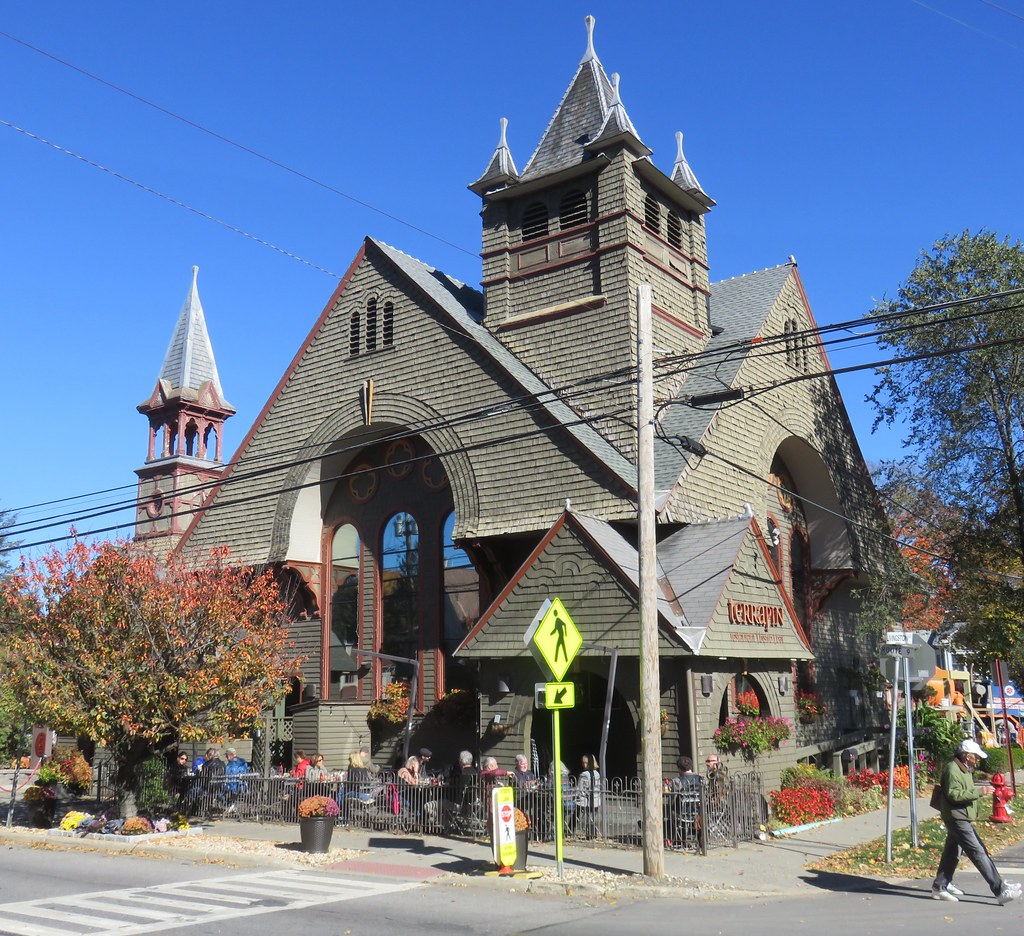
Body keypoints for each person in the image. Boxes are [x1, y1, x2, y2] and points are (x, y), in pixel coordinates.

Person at [931, 739, 1022, 904]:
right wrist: (979, 791)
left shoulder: (964, 769)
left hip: (960, 816)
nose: (978, 760)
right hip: (957, 818)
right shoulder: (953, 770)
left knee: (952, 853)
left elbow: (961, 792)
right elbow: (954, 795)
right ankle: (999, 889)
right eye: (976, 757)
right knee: (978, 852)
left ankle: (941, 885)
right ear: (966, 756)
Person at [666, 755, 702, 848]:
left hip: (682, 813)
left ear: (679, 768)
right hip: (698, 812)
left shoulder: (677, 781)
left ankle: (676, 839)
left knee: (669, 811)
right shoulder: (701, 779)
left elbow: (671, 797)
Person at [575, 754, 601, 838]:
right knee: (593, 818)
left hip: (585, 801)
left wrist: (575, 796)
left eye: (585, 763)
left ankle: (571, 830)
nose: (583, 765)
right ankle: (592, 833)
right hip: (596, 800)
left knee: (576, 811)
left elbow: (580, 789)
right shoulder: (597, 774)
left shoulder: (584, 774)